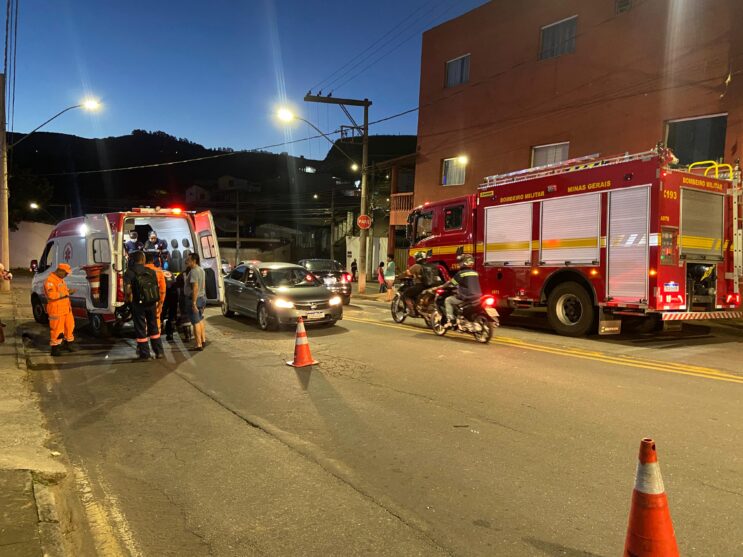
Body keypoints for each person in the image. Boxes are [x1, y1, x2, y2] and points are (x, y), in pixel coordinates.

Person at [124, 251, 165, 360]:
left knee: (141, 328)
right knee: (154, 327)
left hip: (138, 304)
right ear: (143, 260)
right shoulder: (151, 271)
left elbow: (127, 289)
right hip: (151, 302)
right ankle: (159, 352)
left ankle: (144, 354)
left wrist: (128, 299)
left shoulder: (129, 272)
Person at [44, 263, 78, 356]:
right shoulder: (50, 280)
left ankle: (68, 344)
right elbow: (51, 296)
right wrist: (67, 292)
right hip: (56, 310)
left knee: (69, 327)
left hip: (66, 309)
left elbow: (63, 293)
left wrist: (68, 292)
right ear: (60, 271)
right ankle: (55, 349)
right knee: (57, 330)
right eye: (65, 273)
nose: (66, 275)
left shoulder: (60, 280)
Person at [443, 254, 482, 327]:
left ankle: (450, 320)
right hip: (477, 297)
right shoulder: (475, 273)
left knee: (448, 300)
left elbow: (453, 283)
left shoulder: (461, 273)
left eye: (460, 262)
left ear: (463, 263)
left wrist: (445, 286)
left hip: (466, 297)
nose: (459, 264)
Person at [184, 253, 207, 350]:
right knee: (200, 319)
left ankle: (198, 344)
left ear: (194, 261)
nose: (187, 261)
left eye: (188, 259)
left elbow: (195, 287)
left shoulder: (193, 271)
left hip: (194, 299)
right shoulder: (201, 270)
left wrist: (193, 303)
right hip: (201, 298)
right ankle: (203, 340)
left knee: (195, 322)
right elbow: (204, 285)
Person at [144, 251, 167, 326]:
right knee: (156, 318)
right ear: (153, 260)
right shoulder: (159, 271)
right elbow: (163, 289)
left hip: (143, 299)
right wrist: (161, 302)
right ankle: (156, 335)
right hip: (155, 299)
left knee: (144, 319)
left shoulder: (139, 271)